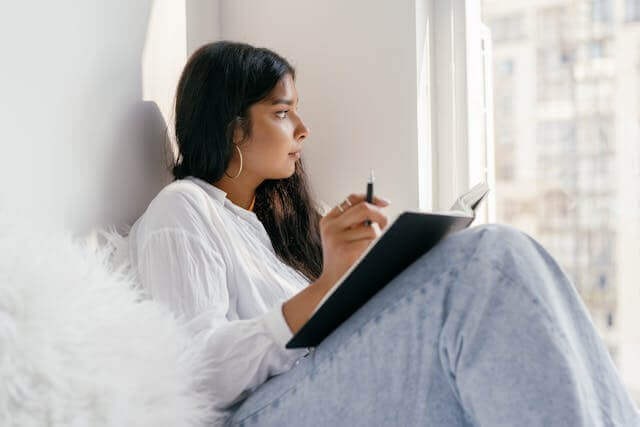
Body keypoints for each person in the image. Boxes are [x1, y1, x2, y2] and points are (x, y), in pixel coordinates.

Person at [127, 40, 640, 426]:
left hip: (313, 391)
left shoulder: (277, 226)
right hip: (260, 414)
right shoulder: (184, 210)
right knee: (489, 258)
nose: (302, 128)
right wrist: (325, 289)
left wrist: (364, 277)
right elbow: (196, 374)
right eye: (282, 113)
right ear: (231, 127)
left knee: (511, 254)